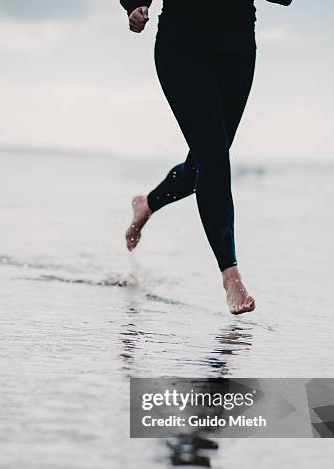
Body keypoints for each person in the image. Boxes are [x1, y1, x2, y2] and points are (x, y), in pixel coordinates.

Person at [121, 0, 292, 314]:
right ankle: (230, 274)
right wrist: (135, 4)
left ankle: (148, 203)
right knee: (214, 159)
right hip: (182, 44)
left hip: (237, 47)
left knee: (205, 161)